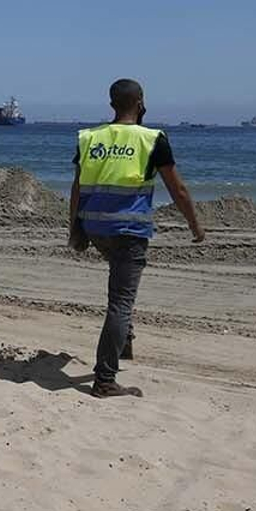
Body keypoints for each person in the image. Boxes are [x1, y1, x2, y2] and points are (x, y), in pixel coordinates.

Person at [69, 78, 206, 398]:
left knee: (119, 290)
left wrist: (73, 227)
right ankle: (105, 380)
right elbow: (178, 189)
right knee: (120, 303)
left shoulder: (90, 137)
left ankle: (124, 338)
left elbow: (76, 187)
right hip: (129, 232)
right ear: (141, 102)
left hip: (95, 229)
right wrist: (196, 227)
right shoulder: (153, 139)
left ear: (111, 104)